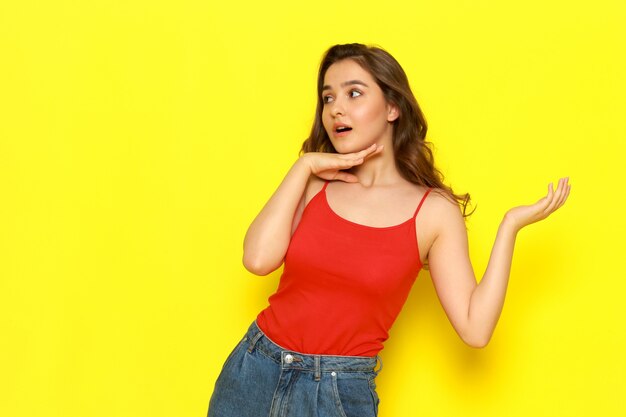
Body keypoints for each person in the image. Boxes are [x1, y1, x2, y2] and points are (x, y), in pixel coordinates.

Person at [206, 43, 570, 417]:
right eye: (327, 98)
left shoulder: (432, 213)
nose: (336, 108)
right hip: (254, 370)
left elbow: (475, 331)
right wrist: (304, 167)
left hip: (338, 392)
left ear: (393, 108)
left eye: (354, 93)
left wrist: (509, 227)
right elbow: (257, 259)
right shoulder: (314, 184)